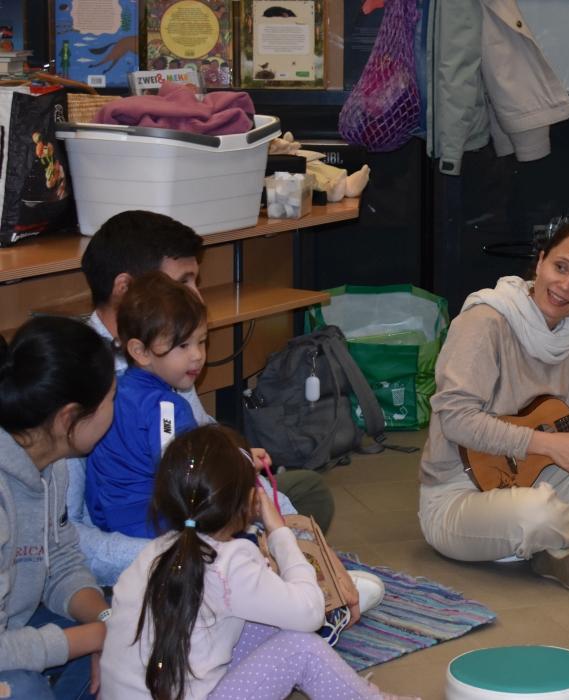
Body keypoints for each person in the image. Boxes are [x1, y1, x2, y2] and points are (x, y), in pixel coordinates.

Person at [69, 210, 332, 584]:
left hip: (185, 517)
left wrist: (287, 531)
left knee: (309, 493)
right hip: (140, 545)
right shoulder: (77, 373)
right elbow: (67, 535)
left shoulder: (171, 356)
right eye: (182, 282)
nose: (196, 296)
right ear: (126, 289)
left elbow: (202, 443)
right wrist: (203, 556)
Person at [420, 222, 569, 592]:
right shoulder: (484, 321)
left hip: (536, 476)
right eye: (560, 267)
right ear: (540, 263)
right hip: (458, 491)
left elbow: (563, 430)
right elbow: (455, 419)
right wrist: (544, 445)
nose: (565, 286)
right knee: (535, 514)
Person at [100, 425, 409, 699]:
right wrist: (279, 532)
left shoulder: (153, 553)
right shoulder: (229, 562)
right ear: (249, 500)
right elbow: (310, 612)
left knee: (266, 623)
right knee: (301, 647)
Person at [1, 317, 114, 699]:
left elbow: (61, 561)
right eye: (110, 400)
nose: (113, 410)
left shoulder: (52, 461)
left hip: (18, 621)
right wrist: (91, 638)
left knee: (125, 625)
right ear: (69, 417)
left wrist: (106, 624)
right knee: (24, 689)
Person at [85, 272, 208, 537]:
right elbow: (182, 481)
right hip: (156, 527)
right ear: (140, 352)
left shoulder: (112, 391)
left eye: (202, 341)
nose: (197, 355)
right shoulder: (168, 409)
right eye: (183, 345)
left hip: (108, 521)